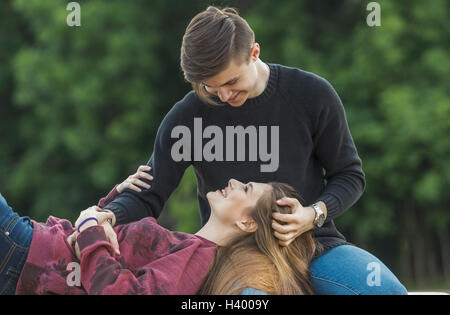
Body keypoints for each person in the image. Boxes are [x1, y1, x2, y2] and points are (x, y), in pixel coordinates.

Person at [98, 6, 407, 294]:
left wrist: (313, 214)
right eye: (210, 86)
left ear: (254, 52)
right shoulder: (187, 117)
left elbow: (349, 175)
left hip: (312, 245)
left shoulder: (312, 95)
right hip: (231, 256)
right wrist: (106, 216)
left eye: (232, 81)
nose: (223, 95)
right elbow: (147, 193)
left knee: (383, 290)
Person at [0, 166, 319, 295]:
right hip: (29, 254)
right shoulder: (191, 248)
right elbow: (112, 257)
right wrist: (108, 209)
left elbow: (117, 290)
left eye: (247, 188)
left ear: (247, 223)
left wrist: (88, 225)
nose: (234, 181)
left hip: (27, 254)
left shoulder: (198, 261)